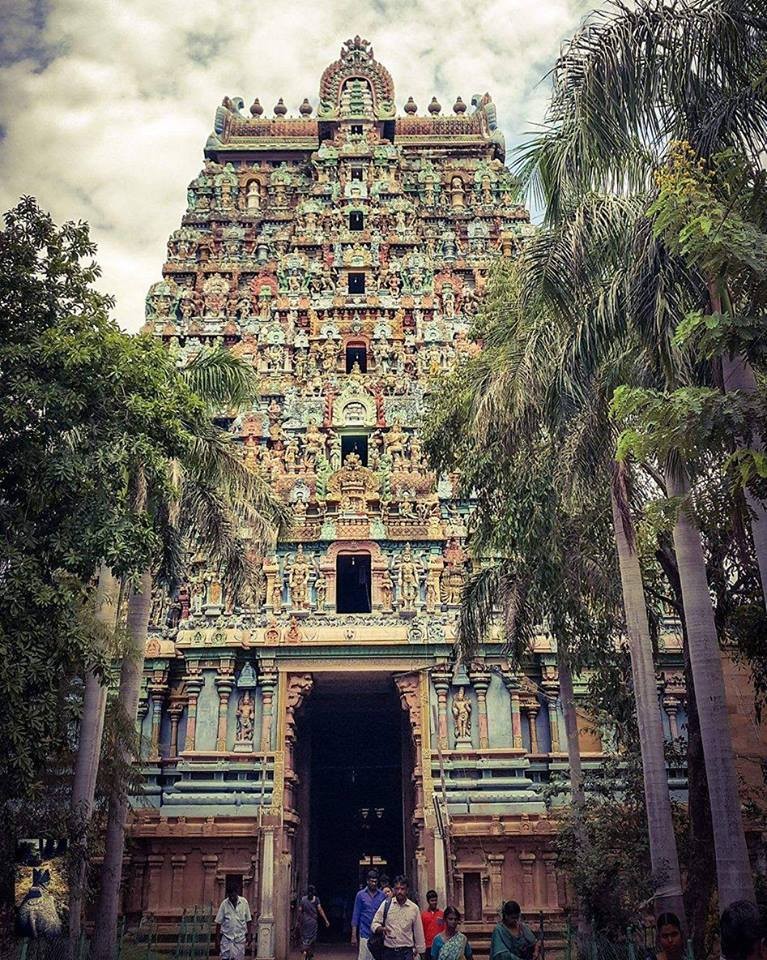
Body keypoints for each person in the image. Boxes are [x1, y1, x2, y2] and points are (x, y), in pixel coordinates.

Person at [371, 875, 426, 960]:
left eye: (402, 889)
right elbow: (374, 923)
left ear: (407, 890)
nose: (399, 891)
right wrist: (381, 929)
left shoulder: (414, 908)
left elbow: (418, 933)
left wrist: (421, 952)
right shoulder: (386, 904)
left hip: (406, 953)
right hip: (389, 952)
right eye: (397, 889)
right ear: (393, 889)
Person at [352, 869, 387, 960]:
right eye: (371, 881)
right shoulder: (360, 895)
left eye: (375, 881)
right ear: (367, 881)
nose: (374, 883)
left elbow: (385, 915)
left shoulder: (382, 895)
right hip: (364, 933)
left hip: (378, 934)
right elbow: (356, 915)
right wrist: (353, 935)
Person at [214, 881, 253, 960]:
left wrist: (249, 935)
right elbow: (218, 922)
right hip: (227, 940)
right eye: (230, 895)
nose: (231, 897)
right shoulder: (224, 904)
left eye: (233, 894)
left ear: (237, 892)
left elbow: (248, 920)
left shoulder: (244, 902)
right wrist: (217, 939)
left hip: (240, 940)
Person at [297, 884, 329, 960]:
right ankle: (309, 953)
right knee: (312, 938)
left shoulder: (303, 899)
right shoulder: (316, 900)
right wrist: (326, 920)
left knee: (305, 938)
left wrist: (298, 921)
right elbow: (320, 910)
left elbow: (300, 911)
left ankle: (305, 951)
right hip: (313, 922)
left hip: (305, 921)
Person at [421, 890, 445, 960]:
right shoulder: (423, 915)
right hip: (428, 946)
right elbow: (422, 931)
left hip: (440, 945)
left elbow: (444, 929)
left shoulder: (442, 914)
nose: (434, 902)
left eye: (435, 900)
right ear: (428, 901)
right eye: (432, 901)